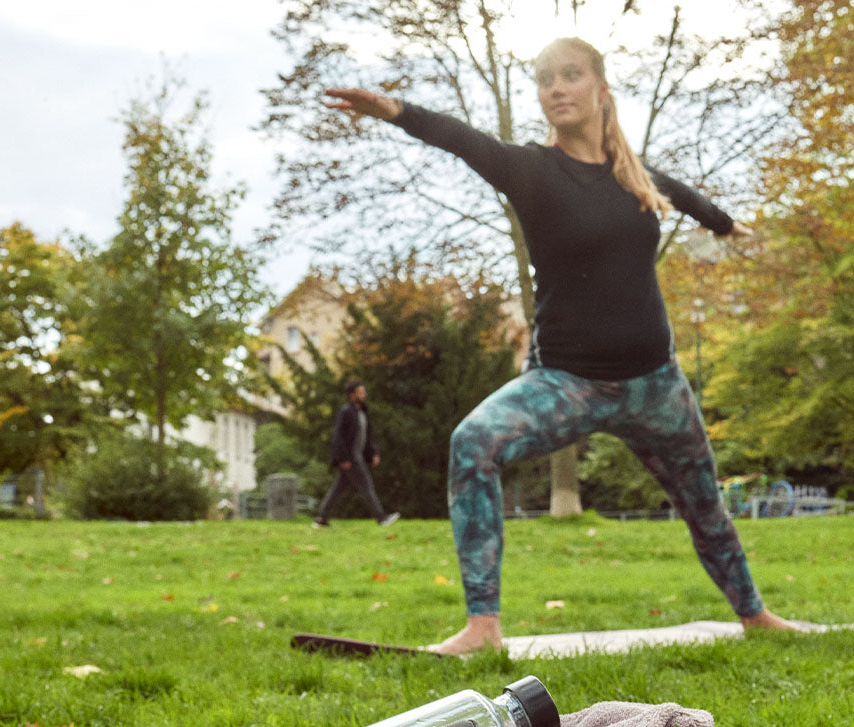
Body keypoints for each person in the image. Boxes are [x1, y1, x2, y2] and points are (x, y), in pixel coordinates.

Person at [325, 37, 796, 653]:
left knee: (706, 505)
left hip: (656, 385)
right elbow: (464, 139)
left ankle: (756, 616)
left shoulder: (635, 176)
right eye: (546, 80)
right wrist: (396, 111)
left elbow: (681, 193)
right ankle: (482, 628)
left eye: (571, 75)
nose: (557, 89)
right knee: (473, 444)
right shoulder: (531, 170)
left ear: (601, 87)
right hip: (566, 384)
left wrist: (727, 225)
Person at [314, 380, 400, 527]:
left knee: (338, 489)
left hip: (358, 456)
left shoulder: (362, 412)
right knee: (367, 486)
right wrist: (343, 458)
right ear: (352, 395)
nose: (364, 395)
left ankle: (321, 518)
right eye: (361, 392)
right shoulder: (346, 412)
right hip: (351, 458)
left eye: (363, 392)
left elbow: (367, 436)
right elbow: (338, 437)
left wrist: (373, 453)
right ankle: (381, 518)